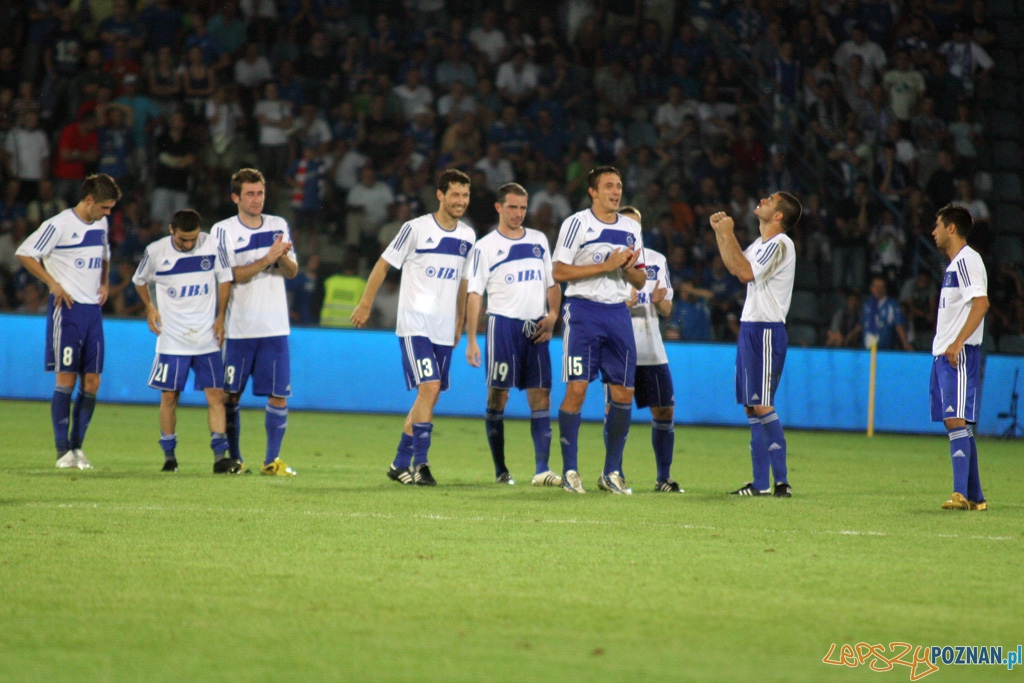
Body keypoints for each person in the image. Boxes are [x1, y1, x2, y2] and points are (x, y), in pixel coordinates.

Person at [351, 169, 476, 487]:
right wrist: (365, 303)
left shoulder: (467, 236)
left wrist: (460, 319)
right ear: (440, 195)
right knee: (429, 388)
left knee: (428, 397)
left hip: (445, 327)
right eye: (455, 195)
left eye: (465, 195)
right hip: (415, 324)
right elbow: (383, 264)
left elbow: (464, 282)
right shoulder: (415, 229)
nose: (460, 201)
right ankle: (422, 464)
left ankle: (398, 463)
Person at [15, 174, 122, 469]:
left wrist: (104, 283)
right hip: (68, 309)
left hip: (93, 311)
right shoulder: (59, 224)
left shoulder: (100, 223)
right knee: (66, 378)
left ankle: (77, 448)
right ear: (89, 200)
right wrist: (52, 283)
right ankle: (62, 451)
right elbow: (25, 253)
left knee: (93, 381)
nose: (108, 213)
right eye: (104, 207)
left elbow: (105, 254)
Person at [552, 166, 647, 495]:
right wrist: (604, 266)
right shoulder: (577, 223)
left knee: (624, 393)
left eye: (619, 186)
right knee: (577, 390)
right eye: (608, 186)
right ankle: (569, 471)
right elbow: (559, 271)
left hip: (618, 314)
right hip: (582, 313)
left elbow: (641, 279)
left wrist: (628, 267)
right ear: (593, 191)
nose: (616, 191)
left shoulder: (631, 227)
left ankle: (612, 472)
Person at [464, 182, 561, 487]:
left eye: (522, 207)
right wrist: (470, 340)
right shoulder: (485, 246)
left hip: (536, 327)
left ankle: (542, 470)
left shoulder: (538, 240)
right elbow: (475, 294)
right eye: (512, 207)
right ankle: (500, 469)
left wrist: (553, 315)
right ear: (499, 208)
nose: (518, 213)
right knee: (498, 395)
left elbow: (552, 283)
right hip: (502, 327)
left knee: (541, 393)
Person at [708, 192, 802, 497]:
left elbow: (745, 271)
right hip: (751, 328)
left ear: (778, 215)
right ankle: (760, 483)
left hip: (766, 329)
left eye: (770, 199)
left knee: (762, 404)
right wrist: (721, 235)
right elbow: (736, 267)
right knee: (751, 406)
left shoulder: (780, 243)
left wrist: (728, 233)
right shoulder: (760, 245)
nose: (762, 199)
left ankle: (782, 482)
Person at [132, 209, 238, 473]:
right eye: (183, 240)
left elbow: (225, 278)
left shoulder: (213, 245)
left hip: (206, 337)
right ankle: (169, 458)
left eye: (193, 239)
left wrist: (220, 316)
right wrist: (149, 307)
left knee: (216, 395)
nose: (189, 244)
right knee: (169, 396)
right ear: (171, 230)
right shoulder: (155, 252)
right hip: (172, 338)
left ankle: (219, 458)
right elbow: (139, 280)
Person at [212, 168, 299, 476]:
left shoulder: (278, 224)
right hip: (240, 327)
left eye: (260, 193)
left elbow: (292, 271)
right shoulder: (222, 231)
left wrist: (282, 257)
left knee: (278, 393)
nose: (256, 199)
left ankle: (271, 461)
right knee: (230, 394)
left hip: (275, 326)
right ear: (235, 197)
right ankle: (234, 458)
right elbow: (230, 275)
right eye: (249, 193)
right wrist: (267, 258)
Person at [620, 206, 683, 493]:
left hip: (652, 350)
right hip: (620, 348)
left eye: (637, 226)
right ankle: (614, 473)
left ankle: (663, 478)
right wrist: (624, 306)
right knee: (616, 411)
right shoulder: (610, 262)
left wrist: (658, 301)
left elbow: (667, 308)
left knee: (664, 411)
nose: (633, 231)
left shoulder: (656, 260)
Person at [930, 204, 989, 511]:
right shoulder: (954, 266)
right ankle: (976, 497)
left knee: (956, 420)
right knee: (957, 423)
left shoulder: (968, 261)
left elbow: (981, 303)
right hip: (946, 353)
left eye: (937, 225)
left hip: (958, 353)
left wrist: (957, 343)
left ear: (951, 228)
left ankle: (959, 494)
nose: (933, 231)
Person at [862, 275, 913, 350]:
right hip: (867, 350)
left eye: (881, 287)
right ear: (871, 288)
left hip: (885, 350)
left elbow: (899, 325)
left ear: (885, 289)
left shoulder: (892, 304)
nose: (878, 289)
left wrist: (905, 343)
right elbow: (861, 325)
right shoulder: (867, 305)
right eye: (876, 286)